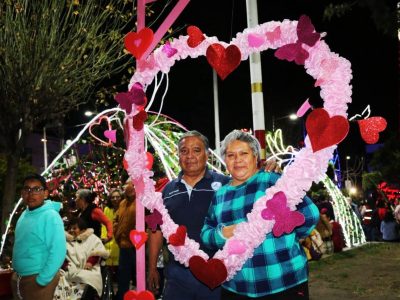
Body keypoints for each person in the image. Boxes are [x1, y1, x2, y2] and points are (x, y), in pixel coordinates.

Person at [147, 130, 281, 300]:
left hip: (218, 273)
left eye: (196, 150)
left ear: (207, 154)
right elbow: (156, 230)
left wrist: (268, 168)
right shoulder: (167, 190)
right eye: (184, 151)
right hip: (177, 274)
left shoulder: (226, 184)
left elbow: (251, 190)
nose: (190, 156)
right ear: (178, 155)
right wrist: (151, 267)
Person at [201, 130, 320, 299]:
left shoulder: (273, 181)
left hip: (283, 281)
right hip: (236, 287)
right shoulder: (220, 195)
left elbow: (310, 214)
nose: (237, 160)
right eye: (231, 155)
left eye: (244, 153)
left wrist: (286, 236)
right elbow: (206, 233)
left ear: (255, 156)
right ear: (225, 160)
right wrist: (223, 234)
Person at [11, 173, 66, 300]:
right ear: (22, 193)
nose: (31, 193)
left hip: (38, 280)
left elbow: (58, 251)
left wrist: (42, 280)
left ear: (46, 193)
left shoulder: (50, 216)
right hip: (20, 279)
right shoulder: (25, 214)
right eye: (27, 189)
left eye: (36, 189)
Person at [55, 217, 109, 299]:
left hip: (88, 269)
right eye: (70, 228)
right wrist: (65, 265)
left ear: (83, 230)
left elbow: (97, 252)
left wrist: (90, 262)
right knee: (59, 280)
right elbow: (60, 255)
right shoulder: (64, 240)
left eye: (74, 228)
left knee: (86, 279)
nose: (71, 230)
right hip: (69, 270)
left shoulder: (92, 239)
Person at [113, 182, 137, 300]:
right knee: (123, 277)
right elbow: (116, 220)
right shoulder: (122, 203)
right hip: (123, 245)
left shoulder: (142, 202)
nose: (125, 187)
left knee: (140, 276)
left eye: (127, 184)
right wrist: (116, 233)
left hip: (137, 246)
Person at [101, 189, 122, 270]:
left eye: (117, 197)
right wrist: (104, 237)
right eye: (113, 197)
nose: (115, 199)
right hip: (108, 240)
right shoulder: (107, 209)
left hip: (119, 241)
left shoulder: (123, 209)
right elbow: (104, 225)